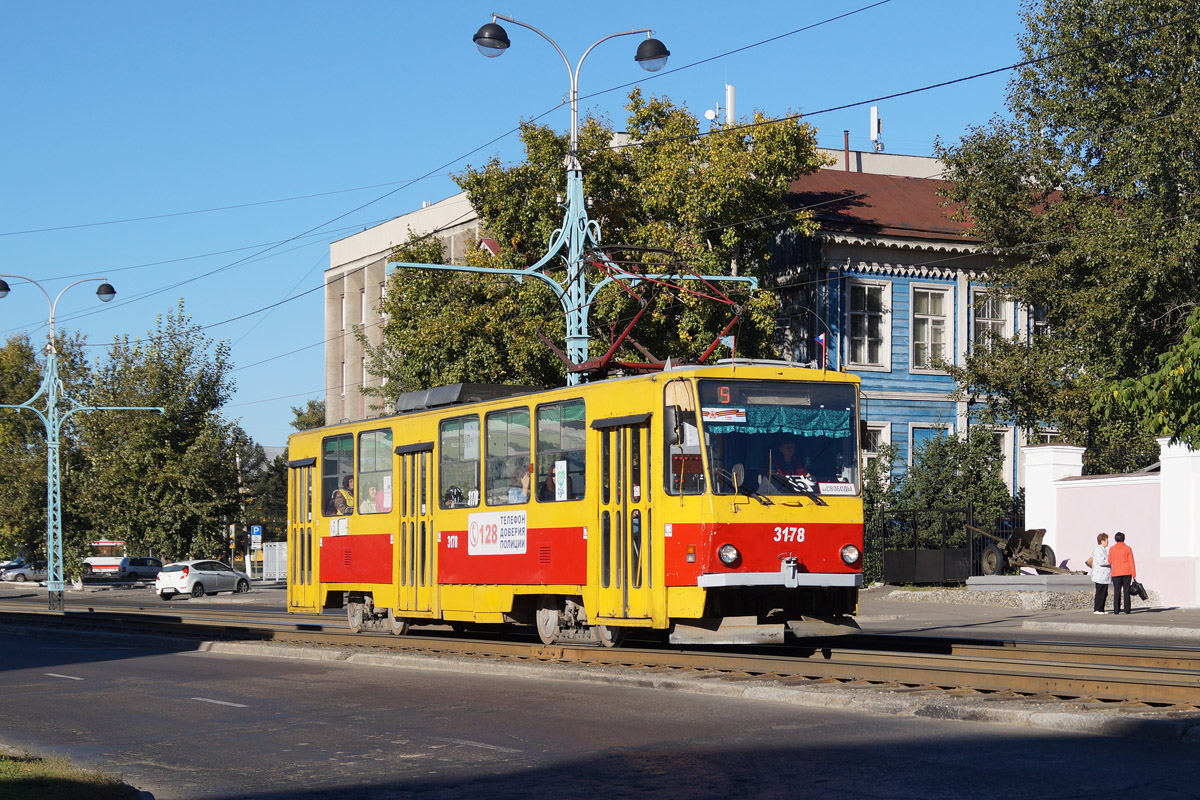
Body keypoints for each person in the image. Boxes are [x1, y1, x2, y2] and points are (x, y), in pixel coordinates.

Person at [1109, 530, 1137, 615]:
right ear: (1124, 539)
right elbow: (1131, 562)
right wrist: (1134, 574)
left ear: (1115, 539)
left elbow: (1110, 561)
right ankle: (1127, 609)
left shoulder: (1112, 549)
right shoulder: (1128, 548)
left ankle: (1116, 610)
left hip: (1116, 572)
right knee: (1126, 591)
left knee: (1117, 591)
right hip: (1126, 572)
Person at [1088, 532, 1111, 614]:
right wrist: (1110, 562)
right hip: (1100, 575)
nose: (1108, 542)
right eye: (1106, 540)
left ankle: (1101, 609)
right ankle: (1097, 609)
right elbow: (1101, 561)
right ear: (1102, 540)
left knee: (1104, 592)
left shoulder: (1103, 550)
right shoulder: (1098, 549)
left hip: (1104, 575)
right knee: (1100, 592)